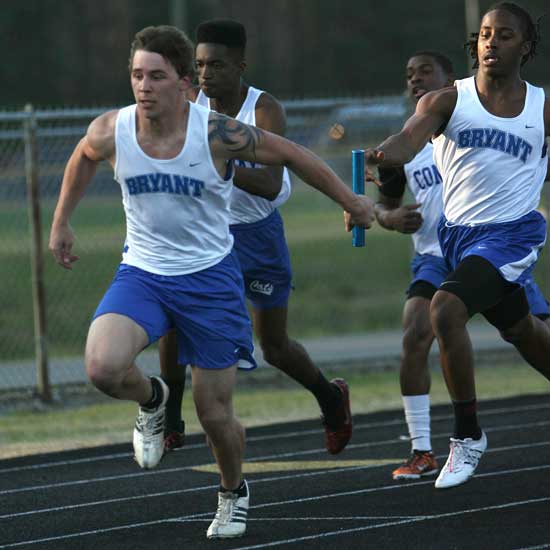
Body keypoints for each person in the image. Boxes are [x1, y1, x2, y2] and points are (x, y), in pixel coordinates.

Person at [48, 25, 374, 539]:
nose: (144, 87)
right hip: (144, 274)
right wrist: (62, 220)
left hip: (210, 281)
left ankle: (231, 492)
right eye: (136, 75)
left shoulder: (218, 133)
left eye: (156, 76)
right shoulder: (113, 129)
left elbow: (292, 156)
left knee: (213, 413)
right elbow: (84, 155)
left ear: (182, 83)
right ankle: (153, 399)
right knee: (101, 367)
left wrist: (352, 201)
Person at [356, 2, 550, 490]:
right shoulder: (447, 101)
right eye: (485, 34)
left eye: (504, 35)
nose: (490, 43)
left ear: (524, 47)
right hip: (460, 239)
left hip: (512, 234)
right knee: (523, 331)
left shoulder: (541, 107)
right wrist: (382, 156)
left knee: (444, 310)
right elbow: (407, 140)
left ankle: (467, 436)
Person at [158, 19, 354, 458]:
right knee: (174, 322)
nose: (206, 75)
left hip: (258, 235)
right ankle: (171, 418)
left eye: (217, 66)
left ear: (241, 66)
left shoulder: (263, 110)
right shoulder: (189, 104)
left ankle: (329, 397)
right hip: (207, 236)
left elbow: (268, 183)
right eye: (200, 65)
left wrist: (220, 162)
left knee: (276, 347)